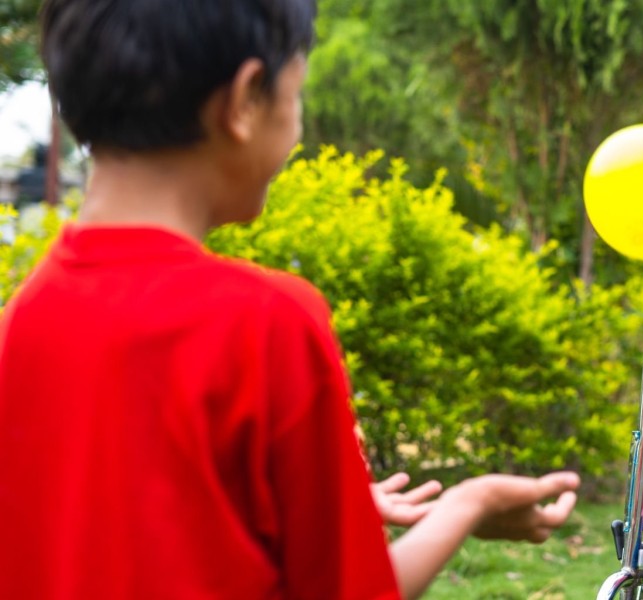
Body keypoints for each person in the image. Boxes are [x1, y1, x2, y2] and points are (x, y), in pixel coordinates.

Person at [0, 1, 577, 599]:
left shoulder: (24, 319)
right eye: (295, 96)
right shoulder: (266, 323)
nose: (296, 130)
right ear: (246, 99)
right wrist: (468, 503)